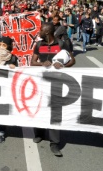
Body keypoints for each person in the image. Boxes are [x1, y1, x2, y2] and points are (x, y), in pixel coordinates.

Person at [31, 22, 75, 157]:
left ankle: (54, 143)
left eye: (40, 30)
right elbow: (32, 62)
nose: (38, 32)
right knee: (39, 109)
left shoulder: (61, 44)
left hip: (57, 83)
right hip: (41, 82)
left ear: (47, 32)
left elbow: (72, 60)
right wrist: (41, 63)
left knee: (55, 113)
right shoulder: (39, 45)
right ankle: (39, 133)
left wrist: (62, 65)